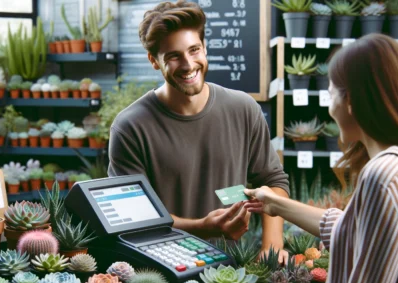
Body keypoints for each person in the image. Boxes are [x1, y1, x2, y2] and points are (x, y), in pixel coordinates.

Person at [244, 33, 398, 283]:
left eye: (331, 94)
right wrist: (275, 203)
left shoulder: (385, 174)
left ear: (352, 101)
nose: (330, 109)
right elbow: (352, 231)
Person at [107, 0, 290, 262]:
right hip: (161, 271)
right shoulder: (130, 127)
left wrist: (271, 247)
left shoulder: (244, 108)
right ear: (154, 61)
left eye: (194, 50)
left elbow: (273, 181)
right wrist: (203, 227)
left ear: (205, 48)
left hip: (234, 271)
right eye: (173, 56)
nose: (188, 64)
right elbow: (133, 219)